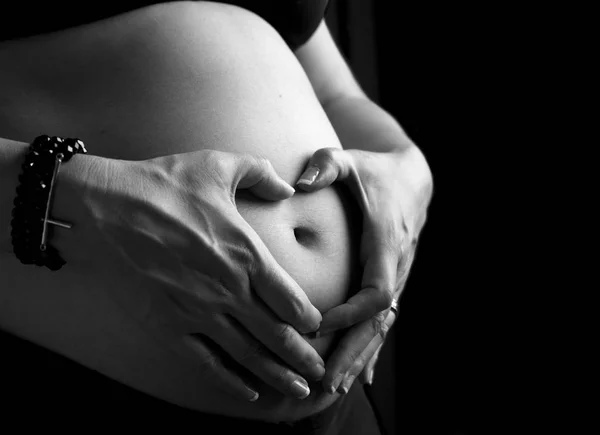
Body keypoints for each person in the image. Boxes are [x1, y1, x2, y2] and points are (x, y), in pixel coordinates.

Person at [0, 0, 433, 433]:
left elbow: (337, 93)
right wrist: (73, 199)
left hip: (338, 403)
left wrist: (410, 169)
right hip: (99, 366)